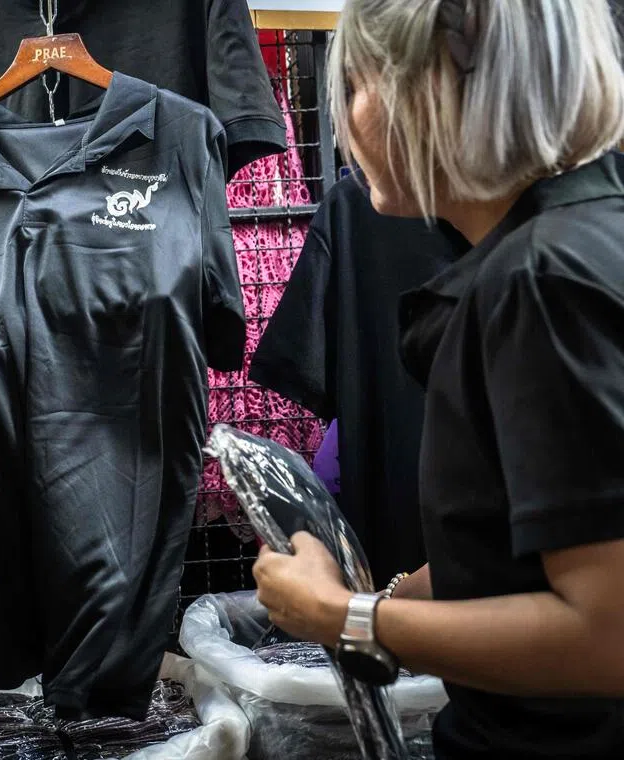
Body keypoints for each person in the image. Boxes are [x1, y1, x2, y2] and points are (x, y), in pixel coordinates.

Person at [252, 1, 624, 758]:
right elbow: (531, 544)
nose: (348, 120)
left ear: (424, 88)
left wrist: (345, 618)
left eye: (356, 87)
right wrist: (376, 598)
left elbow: (606, 635)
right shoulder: (574, 243)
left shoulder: (537, 284)